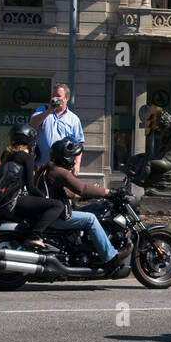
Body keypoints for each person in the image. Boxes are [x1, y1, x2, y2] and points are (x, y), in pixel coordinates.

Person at [35, 139, 129, 267]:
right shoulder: (60, 172)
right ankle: (110, 256)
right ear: (65, 157)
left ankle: (89, 246)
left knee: (96, 207)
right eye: (73, 156)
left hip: (52, 213)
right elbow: (82, 188)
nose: (74, 160)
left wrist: (85, 197)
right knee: (90, 219)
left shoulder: (50, 169)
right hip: (55, 218)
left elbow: (68, 192)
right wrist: (109, 192)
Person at [29, 83, 84, 171]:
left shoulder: (73, 119)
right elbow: (33, 123)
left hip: (62, 167)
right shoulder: (43, 110)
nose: (55, 98)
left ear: (66, 98)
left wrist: (77, 164)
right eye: (53, 96)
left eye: (58, 96)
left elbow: (78, 144)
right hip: (41, 165)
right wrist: (50, 110)